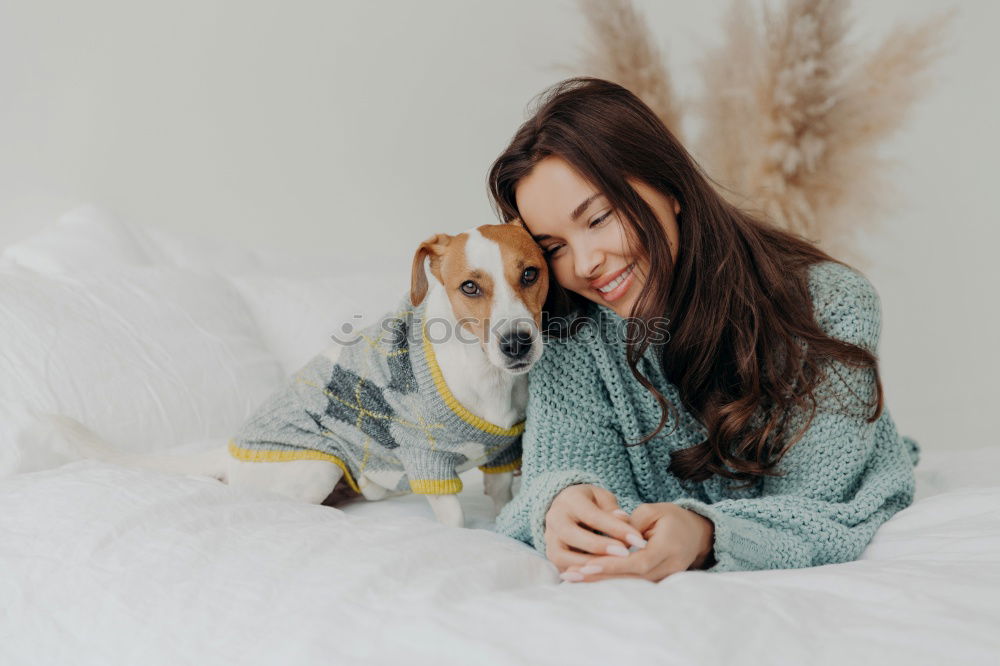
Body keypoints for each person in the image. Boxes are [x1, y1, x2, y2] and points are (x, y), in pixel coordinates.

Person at [486, 77, 920, 583]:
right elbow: (556, 474)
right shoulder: (569, 328)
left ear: (668, 186)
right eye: (554, 247)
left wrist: (705, 534)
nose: (585, 264)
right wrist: (560, 503)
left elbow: (817, 503)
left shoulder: (831, 304)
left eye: (599, 217)